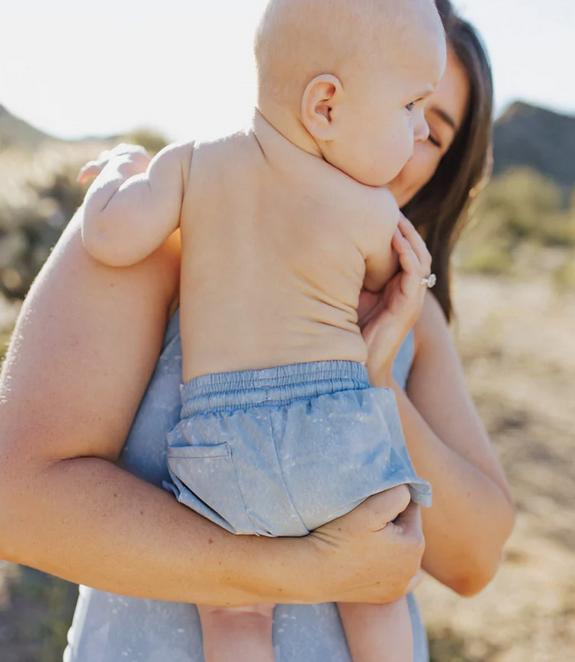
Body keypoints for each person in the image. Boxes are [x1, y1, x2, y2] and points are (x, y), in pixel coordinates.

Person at [0, 1, 514, 661]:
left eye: (432, 129)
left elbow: (474, 560)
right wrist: (311, 569)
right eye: (404, 106)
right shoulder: (174, 224)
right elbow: (14, 501)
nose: (409, 136)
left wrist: (374, 377)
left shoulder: (412, 308)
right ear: (324, 101)